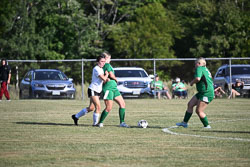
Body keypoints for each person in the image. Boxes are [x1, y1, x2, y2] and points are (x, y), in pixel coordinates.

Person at [176, 57, 214, 128]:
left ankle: (207, 126)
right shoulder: (206, 69)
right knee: (190, 104)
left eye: (195, 63)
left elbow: (198, 78)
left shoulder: (199, 68)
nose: (195, 65)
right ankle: (184, 123)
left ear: (199, 63)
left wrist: (192, 83)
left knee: (199, 111)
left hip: (206, 93)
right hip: (202, 92)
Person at [71, 55, 109, 126]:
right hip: (93, 89)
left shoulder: (101, 69)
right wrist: (106, 75)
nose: (103, 63)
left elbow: (102, 80)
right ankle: (95, 124)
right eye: (101, 61)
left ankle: (76, 116)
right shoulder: (96, 68)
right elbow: (103, 78)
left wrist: (106, 79)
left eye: (104, 61)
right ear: (98, 62)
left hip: (98, 90)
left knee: (91, 108)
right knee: (98, 107)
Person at [98, 52, 129, 128]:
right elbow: (111, 75)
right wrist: (115, 79)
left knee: (122, 104)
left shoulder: (106, 66)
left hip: (114, 88)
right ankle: (100, 122)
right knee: (109, 107)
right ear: (105, 58)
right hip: (108, 88)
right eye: (109, 58)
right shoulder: (107, 65)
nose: (110, 59)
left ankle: (122, 122)